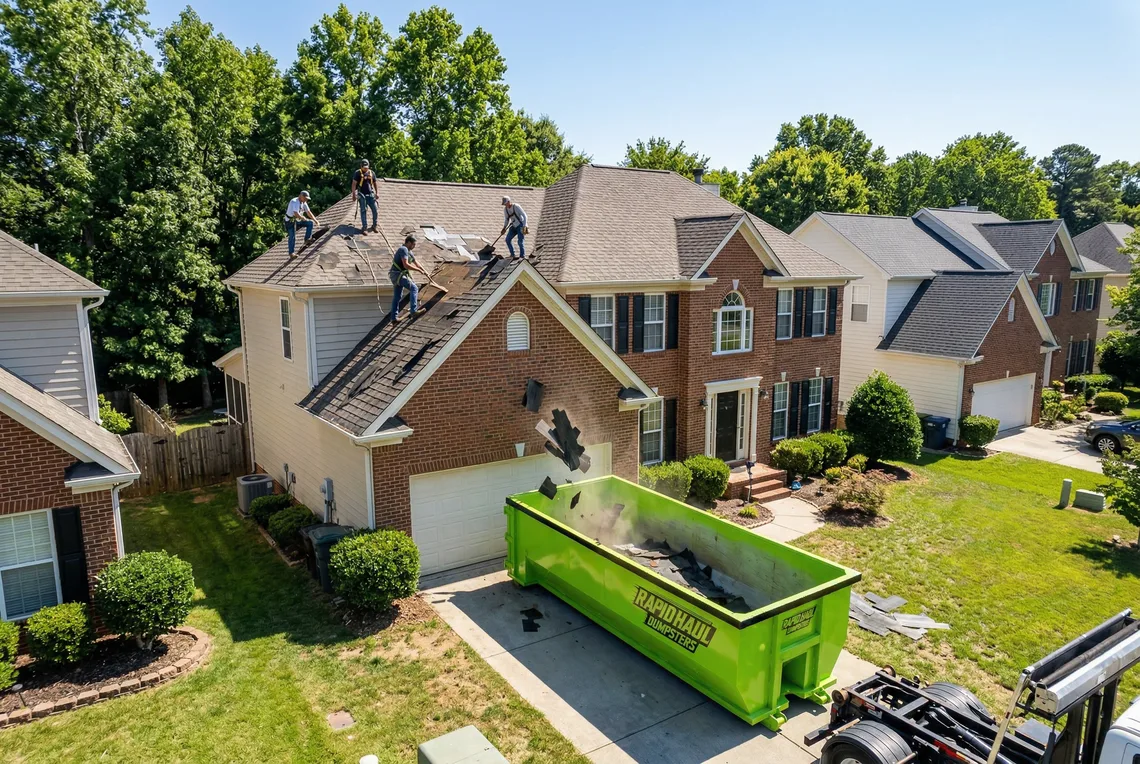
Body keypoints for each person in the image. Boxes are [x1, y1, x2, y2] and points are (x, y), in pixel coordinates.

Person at [389, 233, 429, 323]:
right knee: (414, 288)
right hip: (397, 274)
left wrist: (424, 271)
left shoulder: (409, 252)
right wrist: (419, 270)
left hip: (398, 275)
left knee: (397, 296)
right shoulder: (403, 249)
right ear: (408, 242)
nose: (414, 246)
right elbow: (406, 265)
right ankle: (413, 311)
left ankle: (393, 318)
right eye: (413, 244)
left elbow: (416, 262)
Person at [284, 190, 319, 256]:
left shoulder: (304, 203)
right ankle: (291, 253)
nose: (306, 200)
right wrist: (302, 217)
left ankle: (307, 239)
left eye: (307, 199)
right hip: (290, 221)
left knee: (310, 223)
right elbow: (296, 213)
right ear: (301, 196)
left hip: (298, 220)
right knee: (292, 236)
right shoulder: (294, 202)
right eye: (305, 198)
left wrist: (315, 220)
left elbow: (308, 212)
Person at [352, 159, 379, 235]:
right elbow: (354, 184)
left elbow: (375, 183)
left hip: (370, 194)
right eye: (364, 167)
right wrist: (354, 194)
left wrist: (377, 193)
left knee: (375, 210)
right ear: (361, 166)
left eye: (366, 167)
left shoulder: (371, 173)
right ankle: (364, 227)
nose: (365, 168)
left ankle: (374, 225)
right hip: (362, 195)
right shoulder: (357, 173)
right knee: (363, 210)